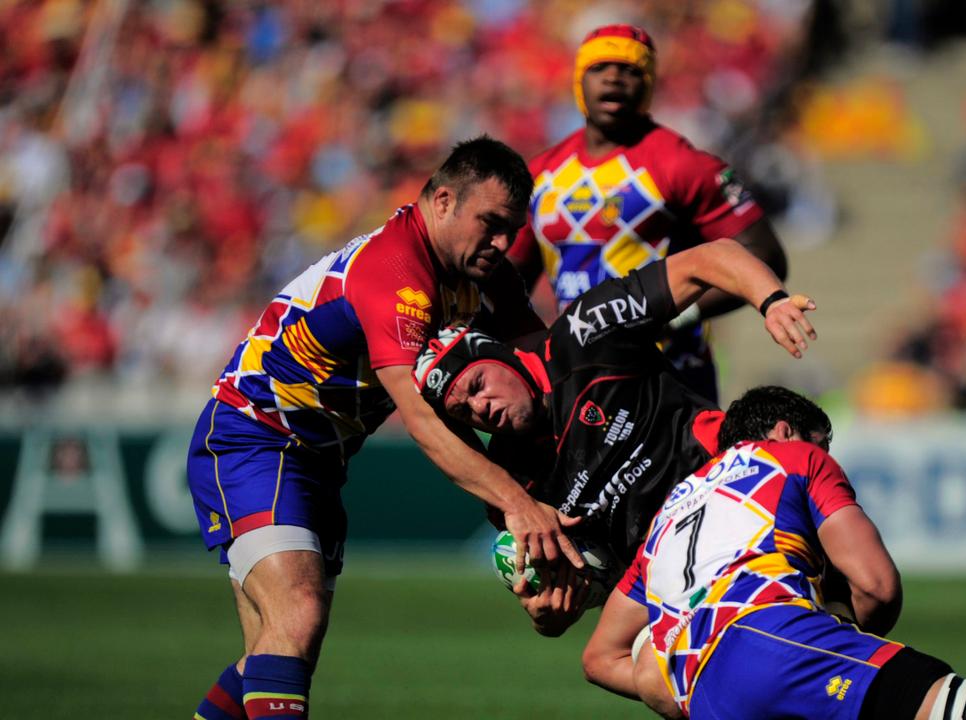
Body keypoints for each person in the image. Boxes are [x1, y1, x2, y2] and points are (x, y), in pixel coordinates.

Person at [185, 137, 587, 720]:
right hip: (256, 436)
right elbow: (419, 420)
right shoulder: (396, 270)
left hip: (320, 461)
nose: (503, 245)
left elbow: (540, 363)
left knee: (273, 653)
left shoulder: (482, 272)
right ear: (443, 201)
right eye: (491, 224)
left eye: (511, 231)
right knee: (297, 614)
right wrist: (518, 504)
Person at [414, 237, 816, 635]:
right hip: (682, 579)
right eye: (463, 411)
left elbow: (711, 256)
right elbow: (590, 574)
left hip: (742, 497)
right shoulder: (508, 484)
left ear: (503, 356)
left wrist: (771, 301)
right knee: (604, 662)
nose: (480, 406)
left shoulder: (586, 331)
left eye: (478, 384)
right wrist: (549, 615)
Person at [580, 386, 966, 720]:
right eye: (822, 445)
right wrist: (840, 625)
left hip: (706, 700)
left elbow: (600, 659)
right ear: (785, 431)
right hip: (774, 640)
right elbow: (877, 586)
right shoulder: (795, 457)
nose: (828, 456)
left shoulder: (666, 518)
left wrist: (676, 684)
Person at [508, 23, 788, 402]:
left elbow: (765, 256)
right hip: (581, 378)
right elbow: (510, 281)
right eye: (599, 67)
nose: (613, 78)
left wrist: (677, 314)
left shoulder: (684, 165)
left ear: (649, 84)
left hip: (671, 374)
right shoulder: (540, 175)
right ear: (578, 80)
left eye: (630, 70)